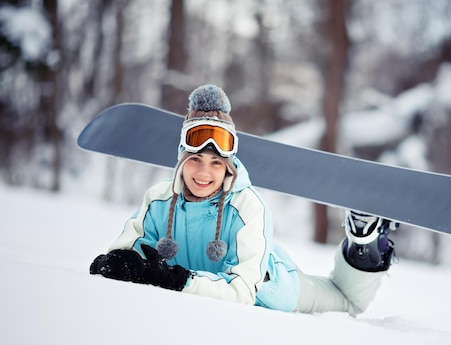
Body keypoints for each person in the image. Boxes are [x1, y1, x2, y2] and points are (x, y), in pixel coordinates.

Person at [90, 84, 397, 316]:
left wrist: (176, 280)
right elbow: (129, 248)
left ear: (228, 166)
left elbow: (241, 293)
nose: (204, 173)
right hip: (213, 276)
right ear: (181, 159)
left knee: (347, 302)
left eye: (215, 163)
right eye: (196, 159)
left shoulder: (249, 206)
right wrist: (120, 263)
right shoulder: (158, 199)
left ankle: (365, 243)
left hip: (270, 285)